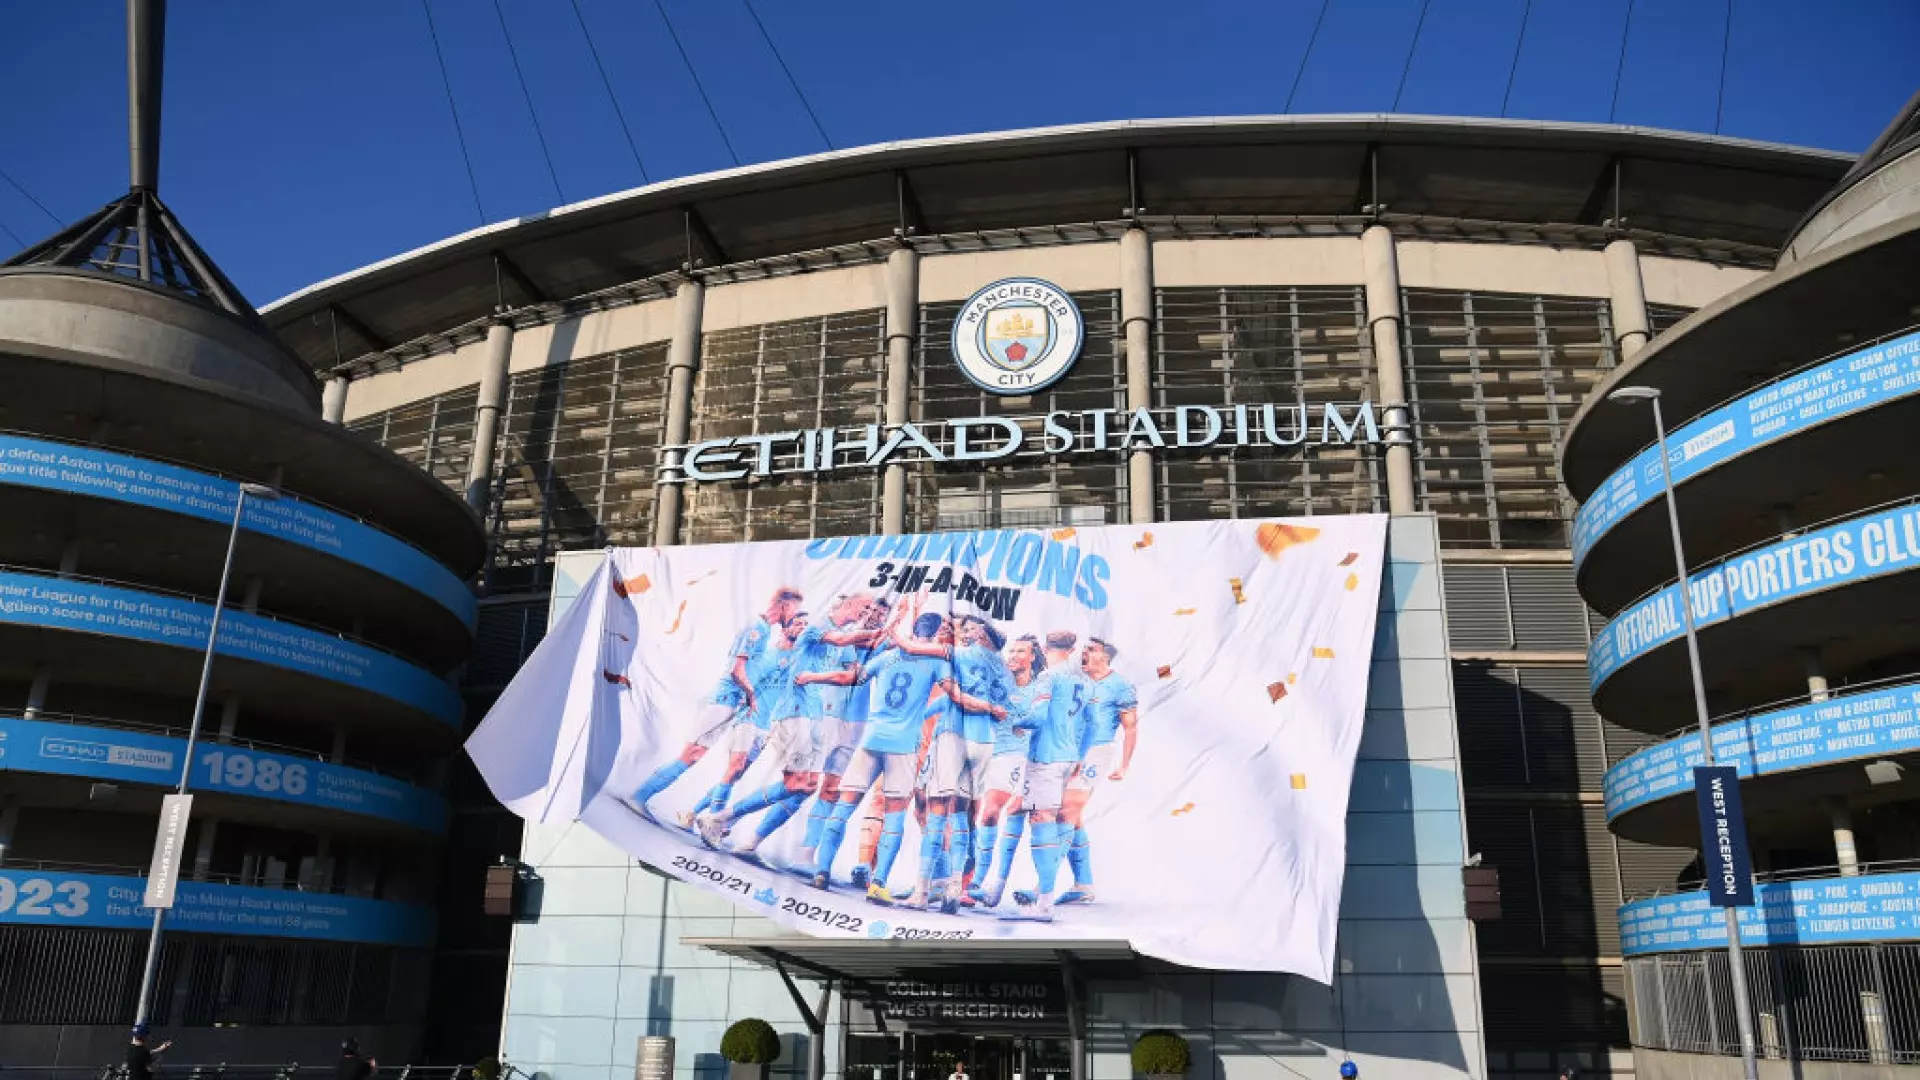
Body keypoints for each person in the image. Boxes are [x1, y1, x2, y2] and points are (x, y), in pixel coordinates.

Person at [625, 587, 804, 822]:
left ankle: (645, 797)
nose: (794, 618)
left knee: (696, 754)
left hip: (731, 702)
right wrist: (751, 696)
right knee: (690, 753)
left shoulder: (763, 631)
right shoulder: (757, 630)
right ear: (785, 606)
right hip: (725, 700)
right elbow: (736, 671)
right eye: (795, 611)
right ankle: (640, 795)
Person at [1004, 630, 1090, 922]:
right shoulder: (1083, 680)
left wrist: (1016, 721)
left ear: (1043, 648)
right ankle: (1045, 899)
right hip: (1068, 758)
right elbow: (1085, 725)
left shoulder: (1048, 677)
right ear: (1073, 648)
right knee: (1056, 822)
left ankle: (1043, 905)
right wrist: (1078, 755)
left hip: (1046, 757)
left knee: (1041, 822)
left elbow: (1038, 718)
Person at [1055, 636, 1139, 904]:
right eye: (1084, 649)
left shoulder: (1120, 686)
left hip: (1097, 752)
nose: (1085, 653)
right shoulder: (1077, 680)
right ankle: (1083, 884)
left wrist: (1124, 765)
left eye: (1091, 650)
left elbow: (1130, 727)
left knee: (1067, 810)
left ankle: (1043, 886)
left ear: (1106, 657)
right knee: (1069, 814)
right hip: (1070, 751)